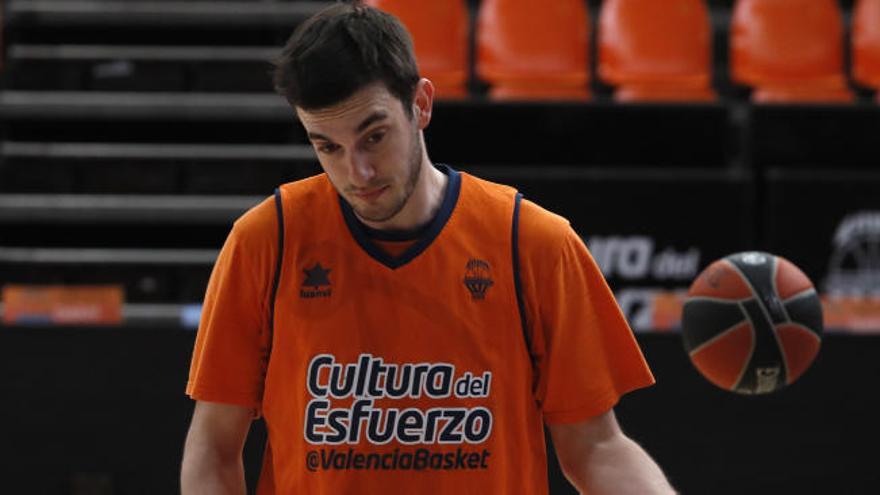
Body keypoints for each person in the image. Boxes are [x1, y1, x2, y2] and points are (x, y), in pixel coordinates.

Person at [181, 2, 676, 494]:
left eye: (373, 136)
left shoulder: (532, 242)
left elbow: (595, 447)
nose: (358, 172)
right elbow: (213, 448)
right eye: (327, 146)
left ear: (420, 104)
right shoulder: (266, 240)